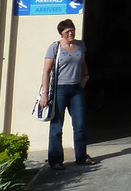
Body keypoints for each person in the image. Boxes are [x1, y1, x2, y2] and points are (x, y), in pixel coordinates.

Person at [41, 18, 96, 170]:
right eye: (67, 32)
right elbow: (46, 71)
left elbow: (83, 63)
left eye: (72, 30)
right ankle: (56, 160)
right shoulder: (55, 47)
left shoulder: (80, 45)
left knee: (80, 124)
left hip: (76, 89)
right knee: (57, 126)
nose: (70, 33)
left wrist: (85, 77)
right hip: (59, 90)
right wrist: (45, 93)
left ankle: (82, 156)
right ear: (61, 33)